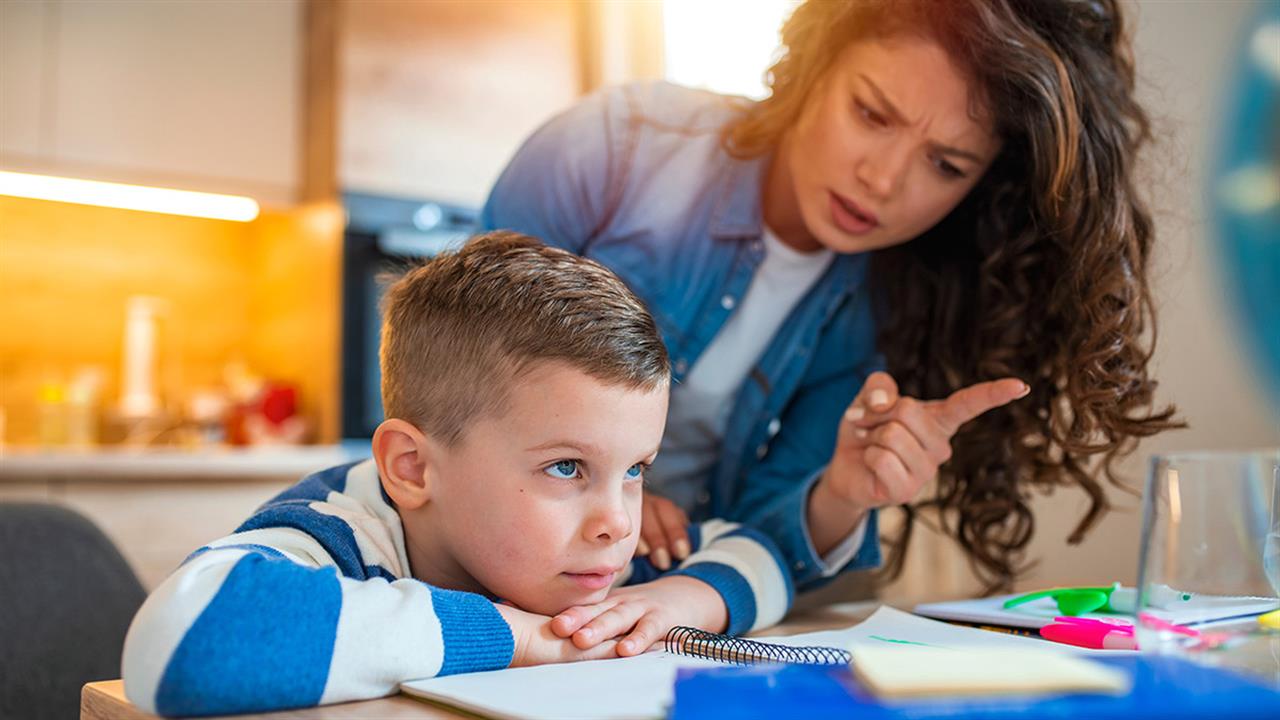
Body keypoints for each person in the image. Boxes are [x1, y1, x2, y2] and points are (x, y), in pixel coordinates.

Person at [481, 0, 1181, 594]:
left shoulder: (890, 308)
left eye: (944, 164)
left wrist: (847, 493)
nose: (882, 179)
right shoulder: (612, 148)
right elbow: (448, 381)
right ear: (816, 68)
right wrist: (614, 497)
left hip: (665, 610)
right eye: (872, 114)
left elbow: (768, 533)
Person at [120, 232, 793, 717]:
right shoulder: (338, 533)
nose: (619, 521)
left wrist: (678, 601)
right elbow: (177, 640)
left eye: (637, 469)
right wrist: (518, 636)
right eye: (566, 467)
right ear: (412, 469)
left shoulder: (585, 550)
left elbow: (761, 555)